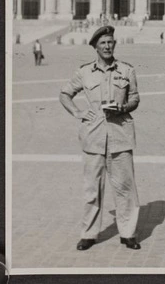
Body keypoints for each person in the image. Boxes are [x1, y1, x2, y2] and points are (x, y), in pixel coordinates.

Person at [60, 25, 141, 251]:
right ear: (95, 46)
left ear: (115, 44)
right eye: (103, 43)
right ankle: (89, 234)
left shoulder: (126, 70)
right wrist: (77, 112)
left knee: (126, 188)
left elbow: (135, 97)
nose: (107, 46)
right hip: (93, 138)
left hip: (120, 136)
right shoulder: (84, 72)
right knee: (91, 190)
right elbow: (65, 93)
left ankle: (128, 233)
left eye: (110, 42)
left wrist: (123, 107)